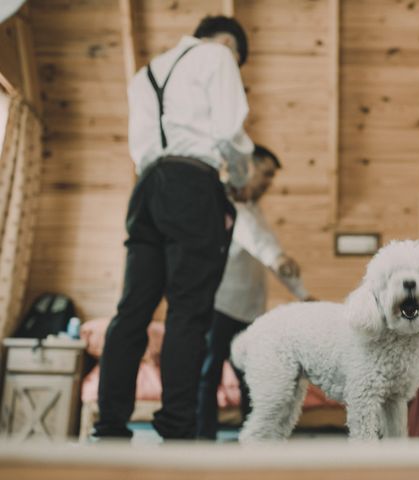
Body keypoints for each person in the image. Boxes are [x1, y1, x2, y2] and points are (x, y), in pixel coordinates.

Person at [92, 16, 253, 440]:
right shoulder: (217, 56)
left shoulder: (144, 73)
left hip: (145, 189)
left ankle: (109, 425)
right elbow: (230, 132)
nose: (235, 64)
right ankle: (178, 429)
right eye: (238, 57)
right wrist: (239, 177)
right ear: (226, 42)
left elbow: (141, 146)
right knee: (189, 309)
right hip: (192, 184)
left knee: (132, 310)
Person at [196, 145, 313, 440]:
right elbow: (260, 244)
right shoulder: (227, 204)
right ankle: (202, 441)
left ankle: (256, 439)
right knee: (207, 375)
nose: (268, 183)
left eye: (272, 177)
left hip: (250, 311)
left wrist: (303, 295)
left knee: (252, 376)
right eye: (266, 174)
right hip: (220, 306)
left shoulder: (255, 211)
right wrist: (277, 259)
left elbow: (273, 254)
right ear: (248, 166)